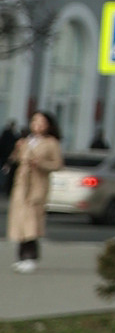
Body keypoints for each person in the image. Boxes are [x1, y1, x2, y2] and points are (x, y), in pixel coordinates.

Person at [11, 108, 62, 272]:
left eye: (41, 122)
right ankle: (21, 257)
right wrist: (17, 149)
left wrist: (41, 163)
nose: (37, 125)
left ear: (48, 125)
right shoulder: (27, 140)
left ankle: (31, 257)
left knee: (32, 222)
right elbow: (15, 160)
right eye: (34, 121)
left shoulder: (51, 143)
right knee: (20, 222)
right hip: (22, 185)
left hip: (38, 185)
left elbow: (57, 164)